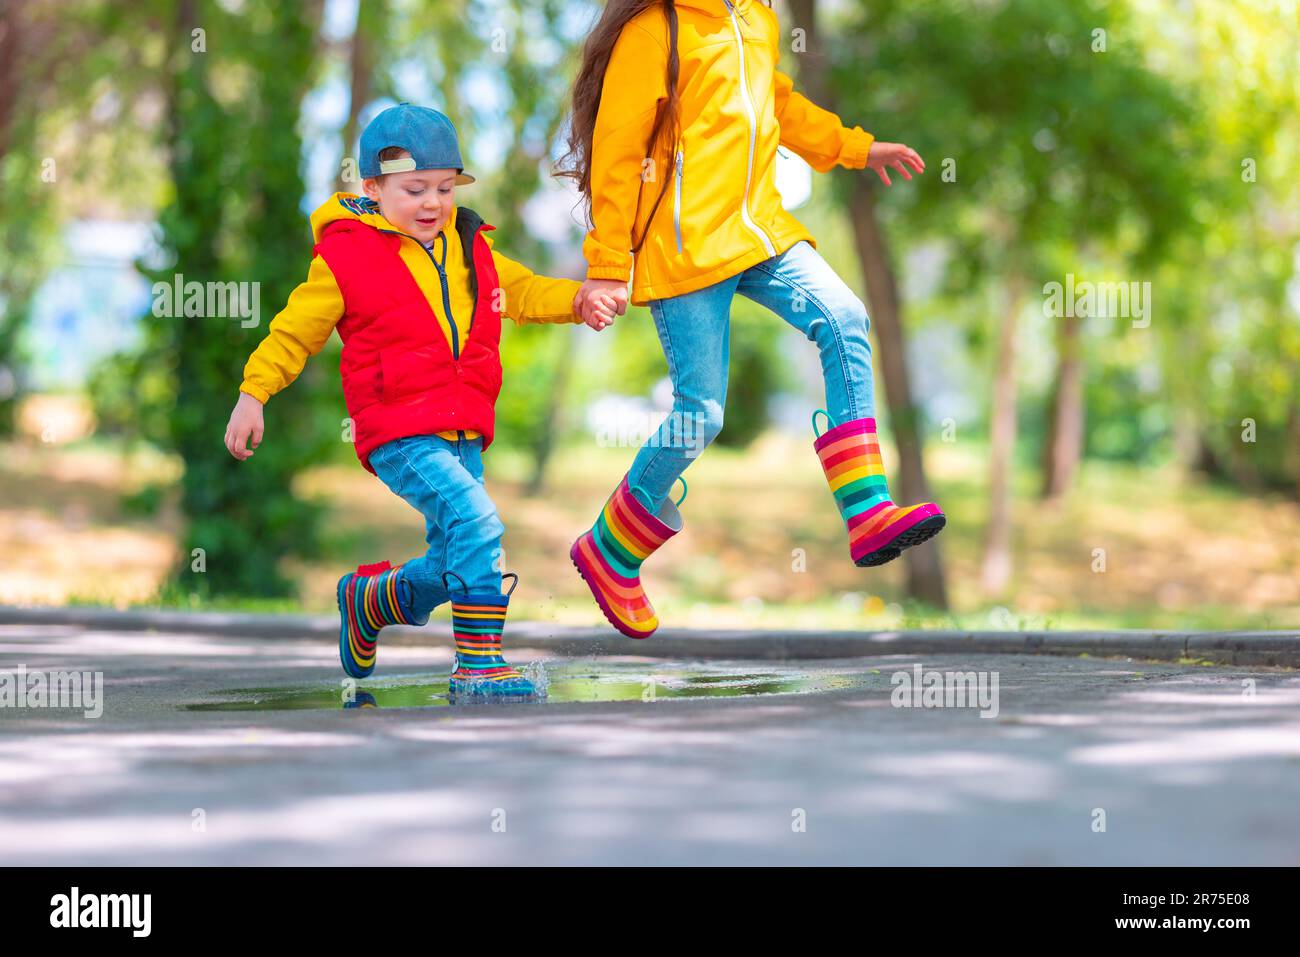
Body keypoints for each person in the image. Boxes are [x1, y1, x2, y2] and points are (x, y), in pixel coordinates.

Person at [562, 0, 945, 639]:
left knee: (845, 317)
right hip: (684, 248)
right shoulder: (656, 31)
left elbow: (781, 104)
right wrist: (607, 262)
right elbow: (619, 149)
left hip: (759, 234)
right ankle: (609, 546)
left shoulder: (756, 21)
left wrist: (857, 147)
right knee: (701, 414)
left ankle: (867, 510)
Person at [224, 103, 613, 697]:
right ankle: (479, 669)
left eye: (443, 188)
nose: (432, 203)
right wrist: (254, 393)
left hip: (463, 428)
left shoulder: (470, 247)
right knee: (480, 523)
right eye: (414, 190)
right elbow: (294, 331)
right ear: (373, 187)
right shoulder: (346, 257)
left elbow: (525, 290)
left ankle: (372, 600)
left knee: (459, 550)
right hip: (398, 430)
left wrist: (579, 299)